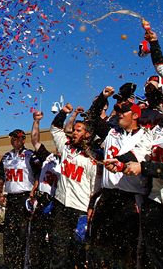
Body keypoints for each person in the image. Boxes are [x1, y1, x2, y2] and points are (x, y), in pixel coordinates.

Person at [117, 90, 163, 269]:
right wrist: (119, 162)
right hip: (155, 201)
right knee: (154, 257)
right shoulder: (158, 129)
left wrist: (141, 167)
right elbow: (141, 150)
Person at [86, 87, 150, 269]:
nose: (119, 113)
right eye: (118, 110)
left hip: (130, 199)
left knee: (124, 251)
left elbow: (138, 157)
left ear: (136, 115)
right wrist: (102, 98)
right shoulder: (111, 133)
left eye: (124, 111)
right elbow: (92, 118)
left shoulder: (146, 136)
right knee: (98, 246)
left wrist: (120, 162)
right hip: (107, 197)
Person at [32, 104, 99, 269]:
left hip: (80, 210)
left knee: (76, 253)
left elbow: (95, 190)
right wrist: (63, 113)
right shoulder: (67, 148)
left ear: (87, 135)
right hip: (61, 206)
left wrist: (90, 211)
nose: (74, 133)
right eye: (74, 130)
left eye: (78, 130)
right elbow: (55, 129)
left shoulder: (93, 160)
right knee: (57, 250)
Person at [0, 128, 40, 269]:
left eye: (18, 138)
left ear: (23, 139)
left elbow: (39, 176)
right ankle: (10, 264)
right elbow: (0, 176)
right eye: (13, 138)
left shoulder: (30, 155)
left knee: (23, 234)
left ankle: (23, 265)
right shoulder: (6, 156)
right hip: (11, 198)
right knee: (9, 233)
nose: (15, 140)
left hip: (25, 197)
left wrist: (33, 193)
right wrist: (1, 194)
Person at [29, 111, 61, 269]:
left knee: (50, 242)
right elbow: (35, 140)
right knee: (35, 238)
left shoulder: (70, 163)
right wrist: (36, 122)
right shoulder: (49, 157)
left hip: (56, 203)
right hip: (41, 200)